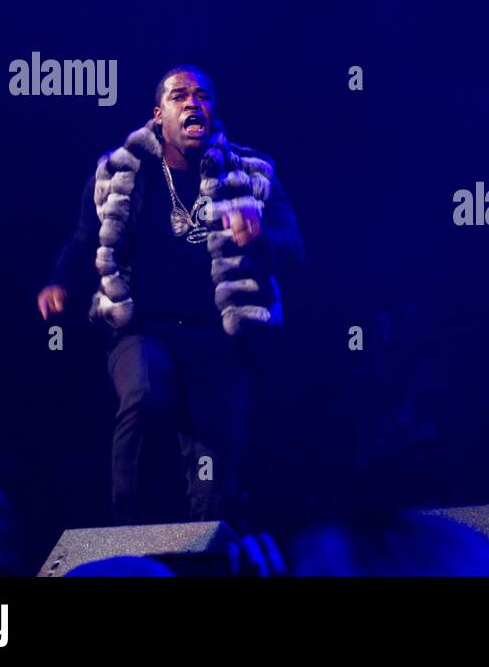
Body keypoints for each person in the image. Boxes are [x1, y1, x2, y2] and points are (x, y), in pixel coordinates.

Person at [38, 65, 304, 529]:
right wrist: (58, 279)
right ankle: (124, 535)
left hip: (219, 340)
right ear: (159, 114)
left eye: (202, 95)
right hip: (142, 329)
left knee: (215, 473)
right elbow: (85, 238)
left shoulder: (252, 172)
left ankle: (207, 556)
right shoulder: (120, 170)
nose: (192, 103)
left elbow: (295, 248)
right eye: (180, 96)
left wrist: (258, 238)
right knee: (144, 392)